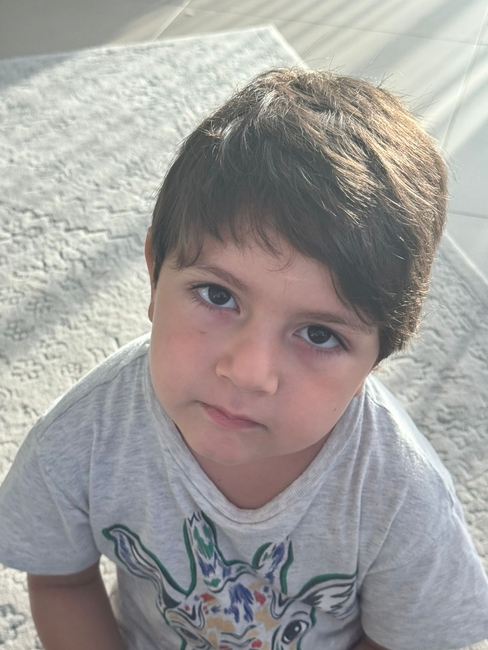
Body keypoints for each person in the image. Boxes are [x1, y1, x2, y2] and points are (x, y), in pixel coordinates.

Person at [0, 67, 487, 650]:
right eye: (217, 295)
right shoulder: (84, 432)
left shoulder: (400, 495)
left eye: (319, 334)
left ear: (377, 359)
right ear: (154, 275)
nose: (249, 372)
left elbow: (406, 640)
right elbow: (61, 581)